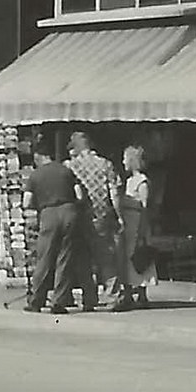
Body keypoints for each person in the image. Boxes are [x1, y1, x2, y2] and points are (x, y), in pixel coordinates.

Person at [23, 138, 83, 314]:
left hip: (48, 213)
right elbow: (79, 196)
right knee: (64, 258)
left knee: (45, 258)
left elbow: (26, 202)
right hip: (69, 211)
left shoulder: (35, 175)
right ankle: (59, 302)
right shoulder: (66, 170)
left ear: (39, 156)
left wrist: (39, 205)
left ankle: (36, 300)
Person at [66, 131, 124, 309]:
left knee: (83, 258)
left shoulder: (70, 166)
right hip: (101, 216)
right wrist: (120, 216)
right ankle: (112, 296)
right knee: (106, 257)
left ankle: (89, 297)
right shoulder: (105, 164)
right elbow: (114, 193)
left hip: (79, 216)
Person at [114, 145, 158, 310]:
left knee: (138, 256)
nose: (123, 162)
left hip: (138, 222)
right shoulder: (128, 181)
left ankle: (141, 292)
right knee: (128, 257)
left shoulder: (142, 181)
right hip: (128, 223)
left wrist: (143, 230)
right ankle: (129, 291)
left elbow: (144, 207)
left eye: (125, 159)